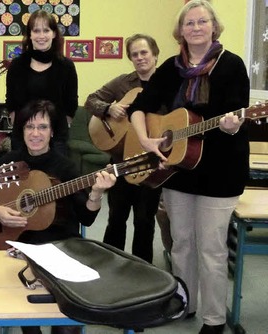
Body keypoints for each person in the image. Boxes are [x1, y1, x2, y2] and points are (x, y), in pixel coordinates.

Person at [127, 1, 250, 333]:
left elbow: (240, 117)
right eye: (189, 23)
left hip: (221, 172)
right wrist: (147, 140)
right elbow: (139, 108)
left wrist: (231, 125)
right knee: (181, 243)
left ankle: (214, 319)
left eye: (202, 21)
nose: (196, 27)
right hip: (179, 170)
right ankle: (185, 302)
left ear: (213, 26)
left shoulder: (232, 66)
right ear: (180, 31)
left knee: (210, 248)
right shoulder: (170, 68)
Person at [0, 100, 116, 334]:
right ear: (21, 131)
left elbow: (87, 218)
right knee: (25, 305)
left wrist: (97, 193)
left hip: (61, 245)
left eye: (42, 127)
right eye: (29, 127)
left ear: (52, 132)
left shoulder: (66, 168)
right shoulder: (10, 163)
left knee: (65, 323)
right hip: (21, 244)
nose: (35, 133)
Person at [84, 34, 163, 263]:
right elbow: (91, 100)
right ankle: (110, 265)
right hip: (120, 162)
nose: (139, 58)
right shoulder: (122, 83)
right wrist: (109, 108)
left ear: (155, 55)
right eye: (135, 54)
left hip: (150, 162)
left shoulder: (167, 83)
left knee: (144, 221)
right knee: (116, 217)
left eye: (144, 53)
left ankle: (143, 270)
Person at [5, 9, 78, 154]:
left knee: (55, 177)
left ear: (54, 34)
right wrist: (26, 131)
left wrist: (56, 130)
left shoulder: (66, 66)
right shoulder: (17, 65)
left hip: (57, 138)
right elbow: (11, 103)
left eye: (46, 30)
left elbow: (71, 104)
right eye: (36, 31)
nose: (41, 36)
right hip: (23, 137)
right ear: (30, 35)